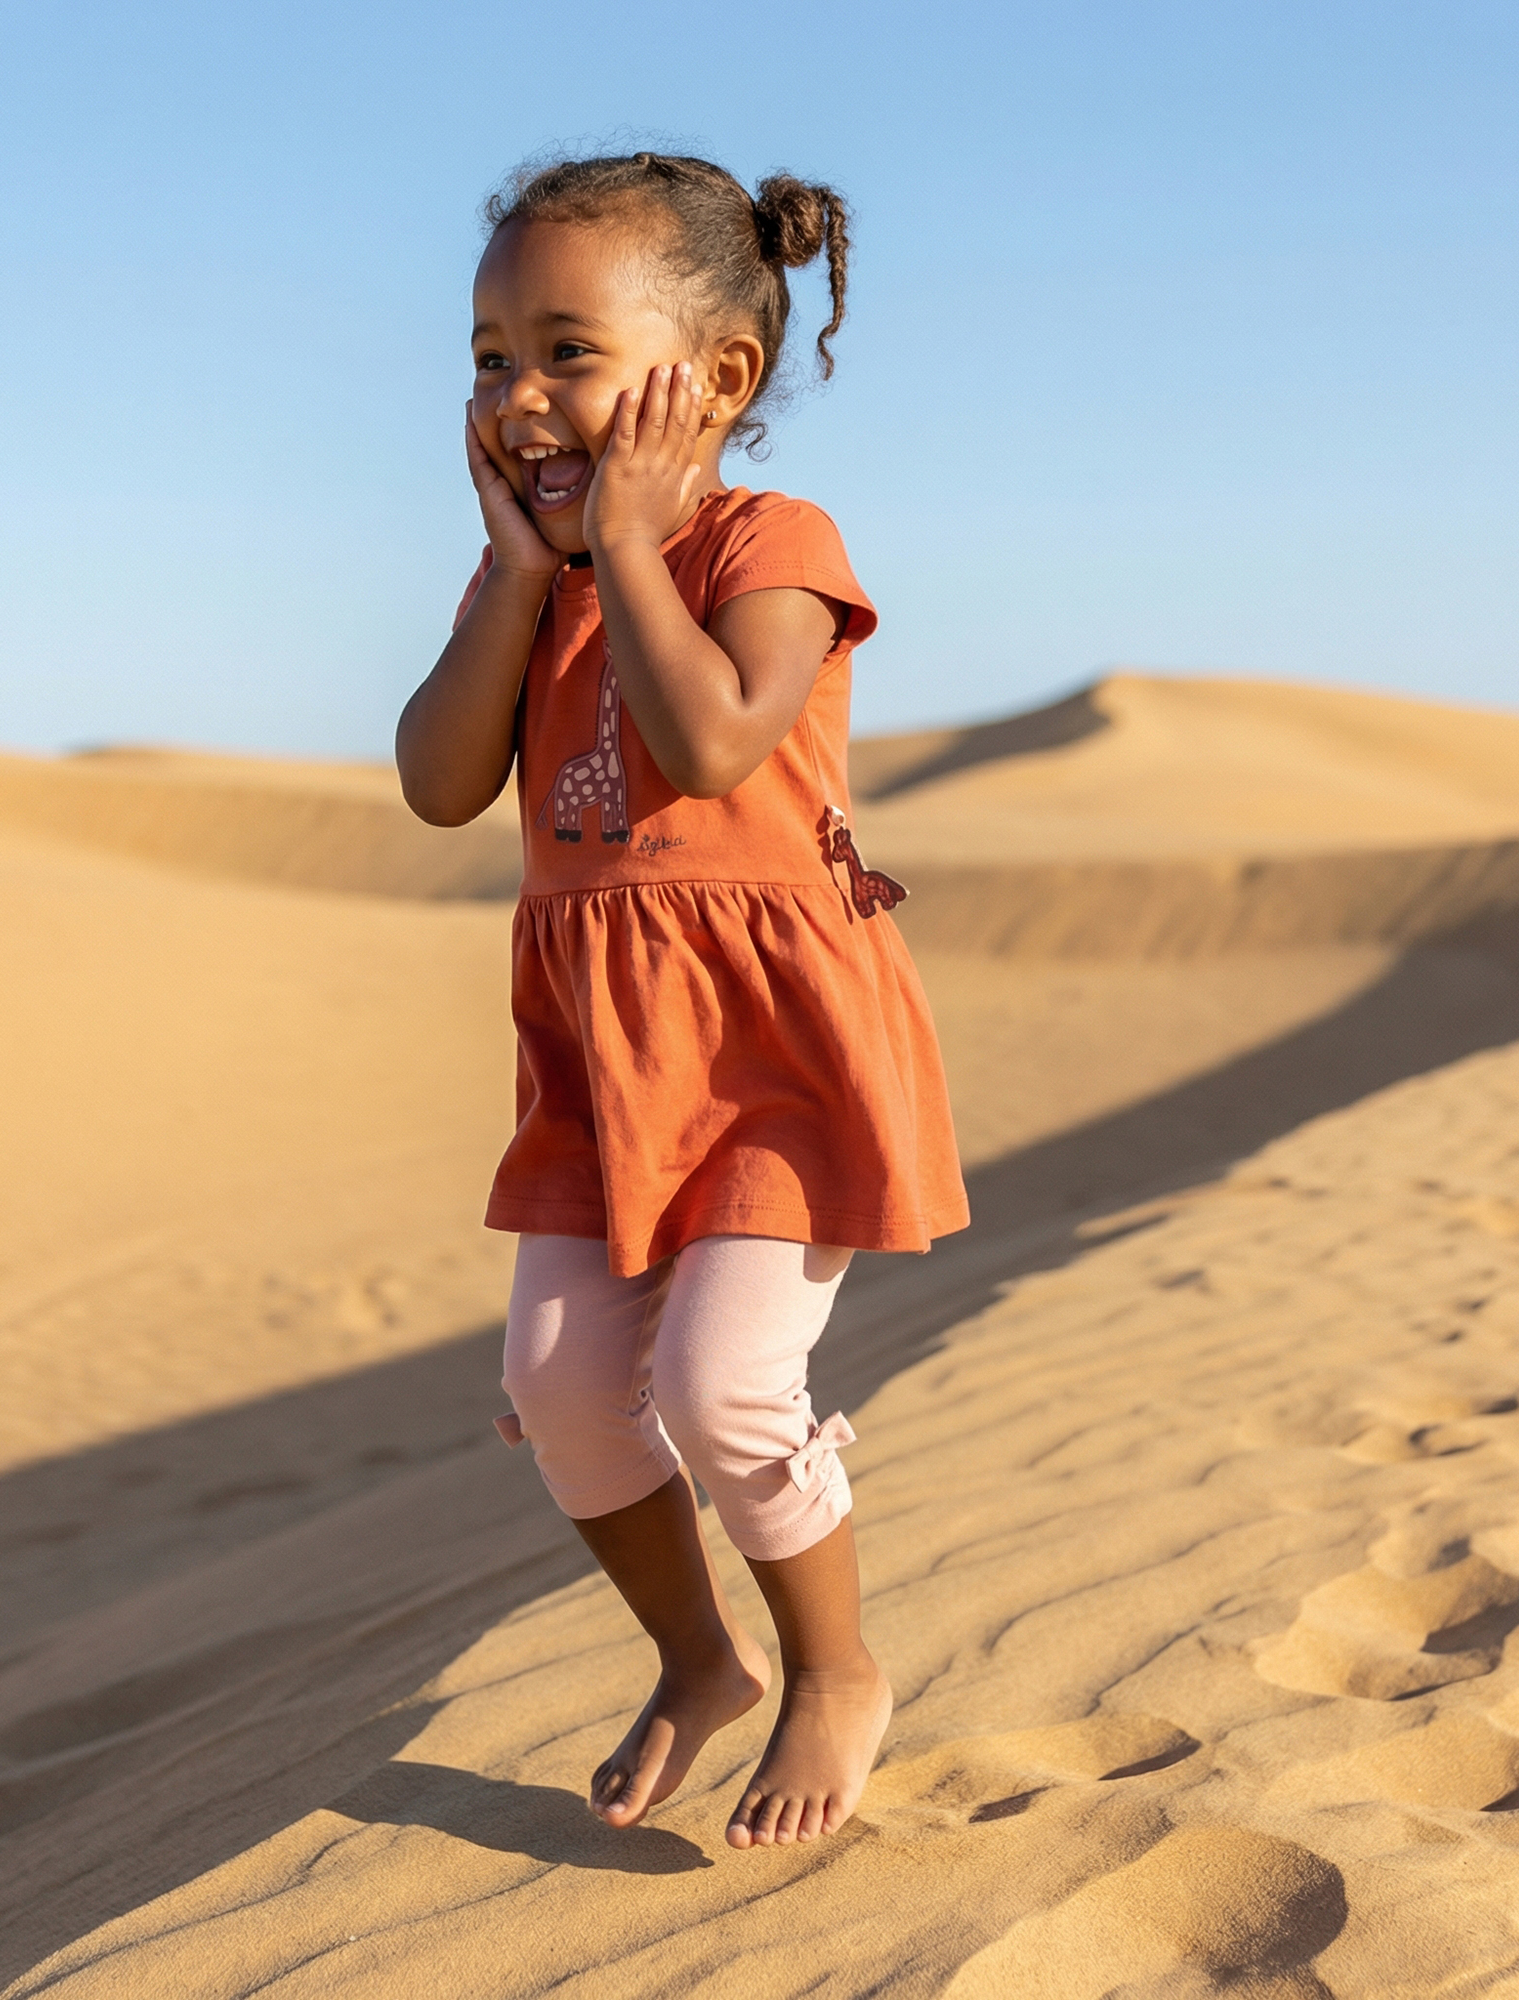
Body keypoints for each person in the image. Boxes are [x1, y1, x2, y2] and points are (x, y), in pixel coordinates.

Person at [396, 152, 967, 1850]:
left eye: (566, 351)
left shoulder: (769, 542)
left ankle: (836, 1667)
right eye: (491, 357)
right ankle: (696, 1660)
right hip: (600, 1056)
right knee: (567, 1384)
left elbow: (716, 736)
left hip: (772, 1048)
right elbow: (440, 783)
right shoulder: (536, 585)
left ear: (715, 379)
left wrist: (629, 545)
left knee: (727, 1390)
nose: (518, 396)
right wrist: (516, 577)